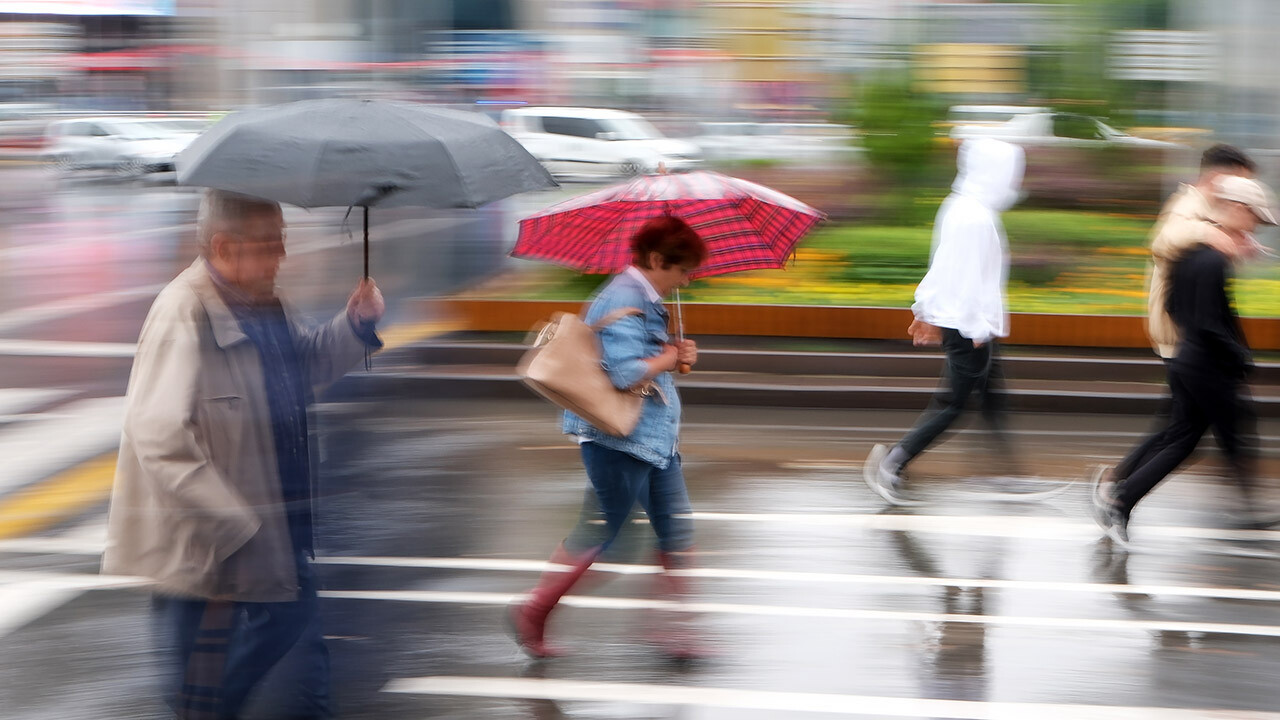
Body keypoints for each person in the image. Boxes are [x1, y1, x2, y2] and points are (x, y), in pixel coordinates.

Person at [101, 189, 385, 718]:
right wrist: (238, 527)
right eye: (270, 244)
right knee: (204, 690)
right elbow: (159, 434)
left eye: (283, 240)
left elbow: (303, 368)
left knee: (299, 673)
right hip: (213, 550)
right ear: (225, 246)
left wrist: (354, 325)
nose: (282, 256)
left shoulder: (263, 301)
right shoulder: (183, 311)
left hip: (279, 527)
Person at [508, 215, 707, 661]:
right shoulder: (623, 297)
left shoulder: (644, 298)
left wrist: (675, 354)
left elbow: (645, 359)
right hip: (620, 442)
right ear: (657, 259)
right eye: (683, 270)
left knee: (675, 531)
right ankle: (533, 610)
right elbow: (622, 373)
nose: (688, 280)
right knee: (606, 535)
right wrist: (670, 358)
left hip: (653, 440)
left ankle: (675, 630)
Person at [1093, 175, 1276, 544]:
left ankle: (1122, 500)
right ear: (1237, 210)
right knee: (1220, 436)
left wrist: (1199, 342)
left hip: (1187, 358)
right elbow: (1214, 321)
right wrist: (1240, 356)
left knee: (1185, 437)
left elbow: (1175, 305)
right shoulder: (1213, 261)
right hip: (1208, 365)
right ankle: (1123, 500)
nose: (1255, 225)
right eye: (1255, 216)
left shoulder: (1192, 254)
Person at [863, 138, 1025, 505]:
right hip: (970, 327)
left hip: (973, 323)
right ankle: (894, 461)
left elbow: (943, 266)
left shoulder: (964, 207)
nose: (1013, 182)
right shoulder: (974, 216)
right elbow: (964, 278)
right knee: (954, 404)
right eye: (1010, 173)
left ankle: (1005, 475)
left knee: (993, 399)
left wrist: (926, 311)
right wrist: (975, 329)